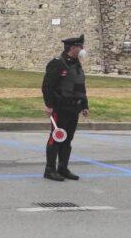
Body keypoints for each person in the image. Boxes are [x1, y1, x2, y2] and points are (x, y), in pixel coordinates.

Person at [42, 34, 90, 181]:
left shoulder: (76, 64)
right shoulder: (57, 63)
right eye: (80, 47)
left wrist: (84, 105)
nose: (82, 49)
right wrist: (49, 105)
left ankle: (63, 168)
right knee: (56, 138)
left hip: (73, 108)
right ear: (72, 48)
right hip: (60, 108)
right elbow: (47, 86)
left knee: (68, 139)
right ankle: (50, 170)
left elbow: (80, 86)